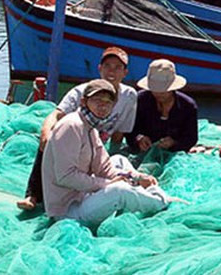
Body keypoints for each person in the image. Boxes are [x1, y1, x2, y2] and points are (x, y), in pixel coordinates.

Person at [42, 79, 176, 226]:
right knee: (119, 190)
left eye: (108, 102)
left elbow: (103, 166)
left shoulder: (91, 126)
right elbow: (66, 177)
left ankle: (138, 191)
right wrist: (107, 184)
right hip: (68, 210)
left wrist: (136, 177)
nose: (102, 106)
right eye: (97, 100)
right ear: (83, 102)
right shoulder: (71, 126)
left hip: (83, 195)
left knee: (118, 159)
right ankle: (160, 201)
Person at [17, 47, 138, 210]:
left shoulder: (129, 96)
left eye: (118, 67)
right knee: (50, 143)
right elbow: (56, 114)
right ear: (99, 68)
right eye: (108, 65)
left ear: (125, 72)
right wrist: (45, 133)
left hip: (97, 145)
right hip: (74, 141)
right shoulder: (81, 91)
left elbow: (119, 133)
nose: (112, 71)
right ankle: (33, 193)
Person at [125, 59, 198, 154]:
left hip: (174, 152)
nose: (159, 93)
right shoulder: (140, 100)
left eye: (164, 90)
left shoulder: (188, 106)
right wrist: (139, 139)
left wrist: (174, 143)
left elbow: (191, 138)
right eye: (155, 89)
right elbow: (129, 130)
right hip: (144, 151)